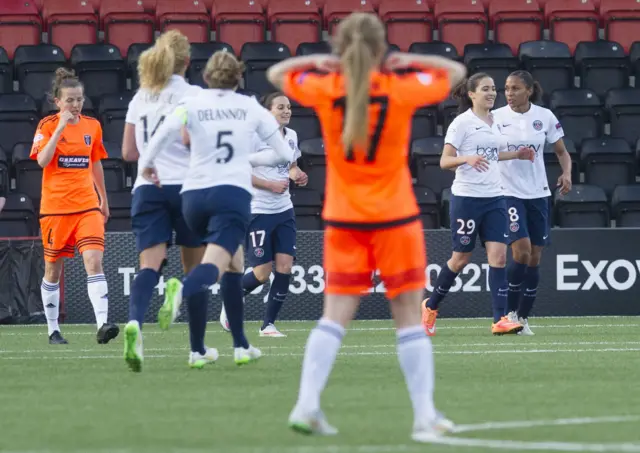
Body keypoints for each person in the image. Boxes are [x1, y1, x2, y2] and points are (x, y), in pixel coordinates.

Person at [267, 12, 468, 442]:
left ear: (342, 49)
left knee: (334, 317)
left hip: (343, 216)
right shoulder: (396, 86)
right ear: (382, 50)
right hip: (395, 216)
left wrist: (331, 62)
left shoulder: (328, 86)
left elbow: (277, 72)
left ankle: (306, 404)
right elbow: (457, 72)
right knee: (408, 319)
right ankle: (424, 416)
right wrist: (401, 61)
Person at [138, 51, 297, 367]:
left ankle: (238, 346)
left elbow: (163, 135)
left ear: (207, 77)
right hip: (230, 196)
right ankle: (181, 291)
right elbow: (282, 155)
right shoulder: (249, 107)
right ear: (238, 78)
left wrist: (146, 164)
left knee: (235, 267)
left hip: (193, 196)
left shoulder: (192, 103)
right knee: (211, 266)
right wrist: (245, 160)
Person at [421, 73, 536, 337]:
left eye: (493, 89)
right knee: (461, 259)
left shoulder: (496, 121)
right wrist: (466, 159)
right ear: (471, 94)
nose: (491, 93)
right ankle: (430, 305)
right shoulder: (461, 124)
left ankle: (500, 319)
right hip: (467, 199)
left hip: (495, 197)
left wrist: (516, 155)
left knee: (498, 257)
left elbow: (492, 154)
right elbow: (444, 161)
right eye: (485, 89)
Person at [121, 30, 205, 372]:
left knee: (148, 266)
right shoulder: (192, 94)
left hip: (147, 186)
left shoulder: (141, 95)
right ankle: (196, 350)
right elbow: (190, 139)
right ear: (186, 61)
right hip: (186, 187)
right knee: (195, 271)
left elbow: (128, 151)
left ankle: (135, 326)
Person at [30, 68, 119, 345]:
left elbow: (95, 162)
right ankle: (53, 330)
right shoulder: (46, 125)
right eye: (69, 100)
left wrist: (103, 198)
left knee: (94, 261)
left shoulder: (92, 126)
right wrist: (60, 128)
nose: (76, 105)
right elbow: (42, 161)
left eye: (79, 99)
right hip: (55, 209)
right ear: (57, 101)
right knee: (53, 270)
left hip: (86, 206)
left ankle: (103, 325)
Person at [219, 91, 308, 338]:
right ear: (268, 111)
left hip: (284, 210)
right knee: (261, 273)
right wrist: (269, 185)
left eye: (289, 107)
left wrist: (297, 175)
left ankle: (268, 325)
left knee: (285, 267)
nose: (287, 111)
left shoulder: (291, 137)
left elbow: (290, 166)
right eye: (281, 107)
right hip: (258, 211)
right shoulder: (255, 137)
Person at [493, 70, 572, 336]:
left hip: (539, 193)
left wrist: (567, 173)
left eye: (515, 88)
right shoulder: (497, 118)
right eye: (506, 88)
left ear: (528, 90)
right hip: (509, 192)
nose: (509, 94)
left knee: (535, 257)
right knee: (522, 251)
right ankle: (509, 313)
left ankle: (523, 318)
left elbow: (562, 152)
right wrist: (515, 153)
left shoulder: (544, 116)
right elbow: (488, 152)